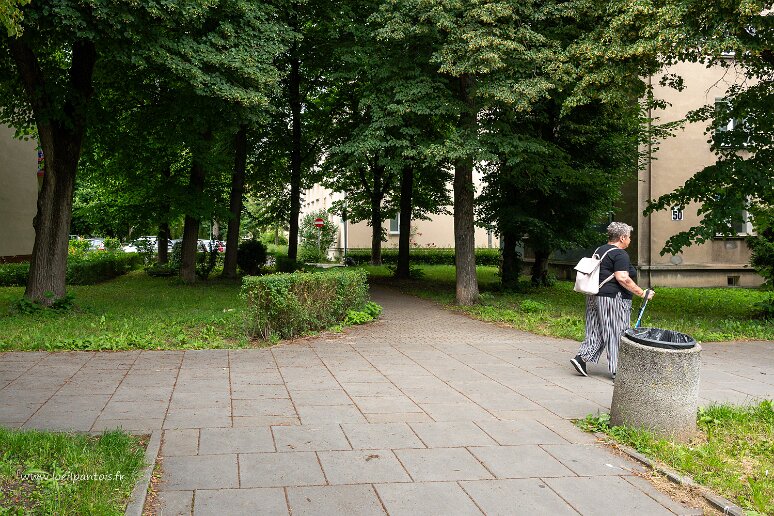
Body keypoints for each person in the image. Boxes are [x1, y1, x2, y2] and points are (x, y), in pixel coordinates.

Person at [570, 222, 655, 379]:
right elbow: (622, 278)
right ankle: (618, 370)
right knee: (617, 332)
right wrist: (641, 293)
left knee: (596, 330)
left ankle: (581, 358)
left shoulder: (600, 250)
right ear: (622, 238)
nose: (630, 240)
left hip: (594, 295)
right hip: (613, 299)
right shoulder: (620, 254)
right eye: (629, 237)